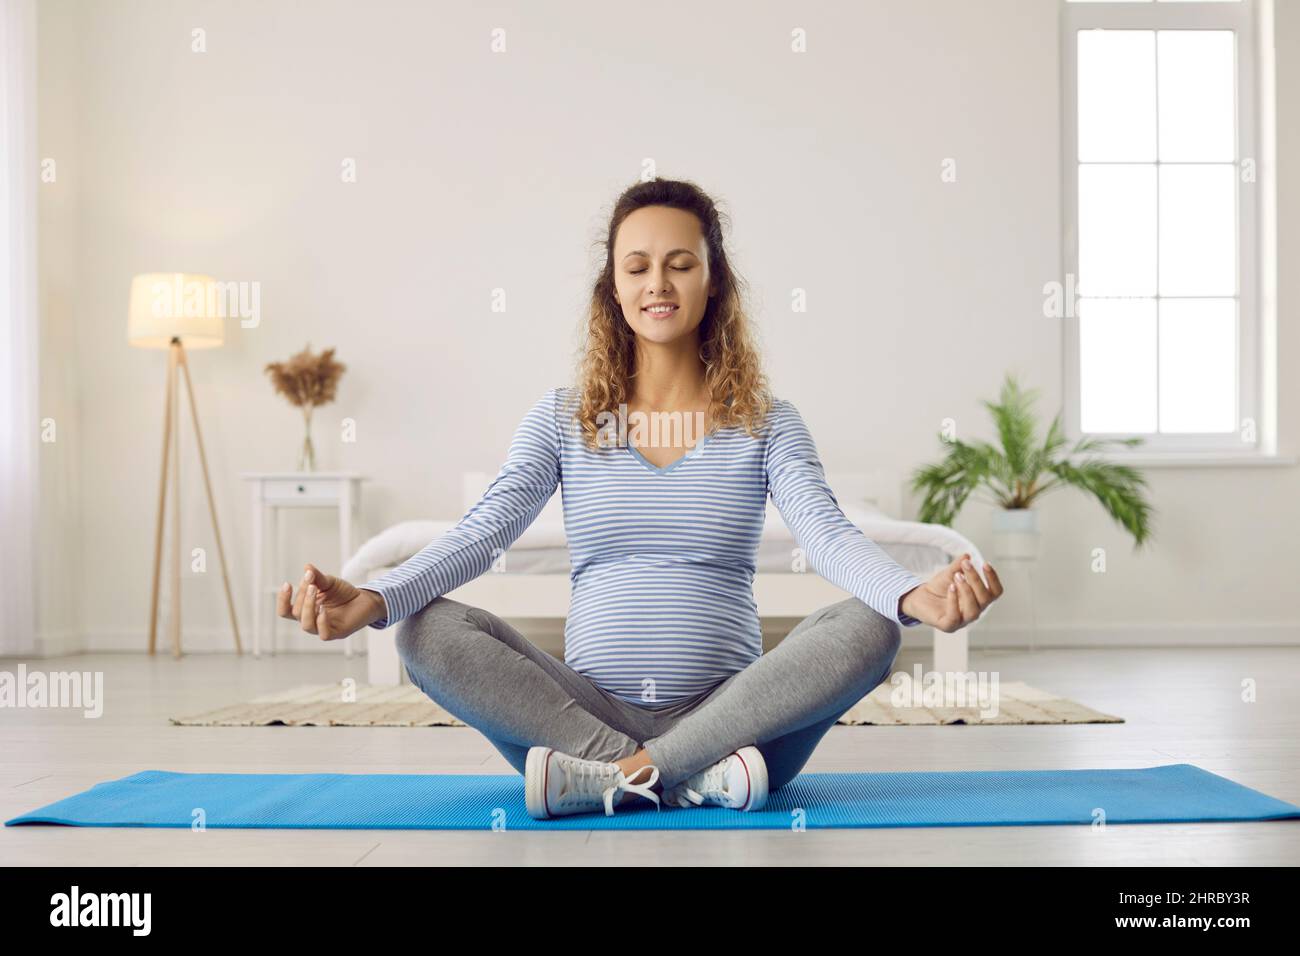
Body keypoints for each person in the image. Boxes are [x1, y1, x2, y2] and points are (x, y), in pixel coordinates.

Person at [277, 177, 1003, 820]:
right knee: (424, 632)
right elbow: (484, 530)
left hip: (734, 720)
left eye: (681, 263)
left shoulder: (767, 423)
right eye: (638, 266)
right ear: (614, 288)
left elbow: (829, 535)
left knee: (870, 627)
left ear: (713, 281)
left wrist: (910, 595)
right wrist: (375, 598)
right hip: (582, 717)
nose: (659, 281)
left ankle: (612, 781)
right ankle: (686, 778)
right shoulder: (561, 418)